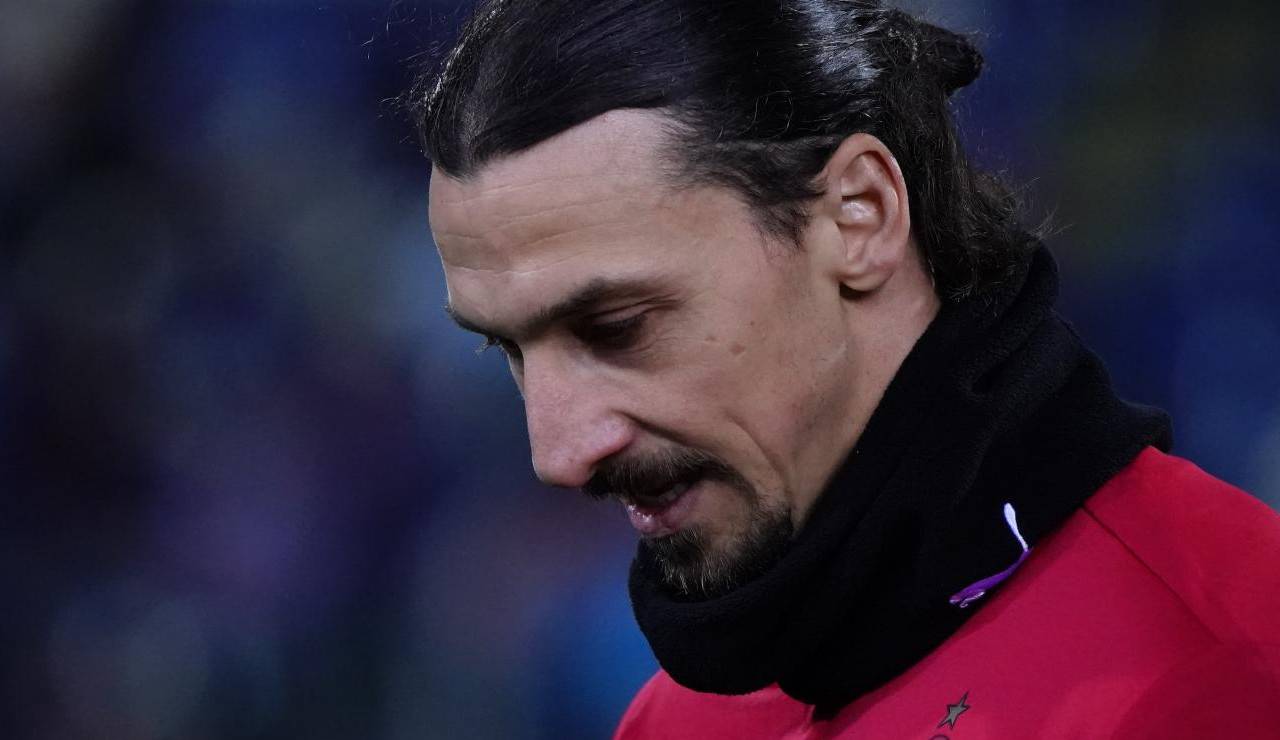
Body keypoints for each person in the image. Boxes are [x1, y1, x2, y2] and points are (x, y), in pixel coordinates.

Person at [413, 1, 1280, 737]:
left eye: (618, 327)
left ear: (860, 215)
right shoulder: (677, 721)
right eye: (510, 349)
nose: (559, 454)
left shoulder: (1225, 666)